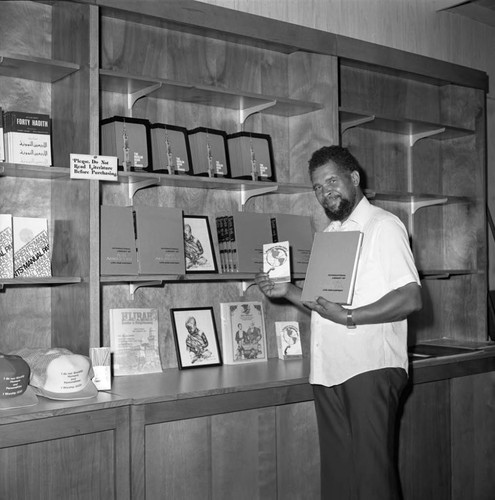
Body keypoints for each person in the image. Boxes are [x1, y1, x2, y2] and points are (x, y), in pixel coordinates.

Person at [255, 145, 422, 500]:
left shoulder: (384, 225)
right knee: (340, 482)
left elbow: (410, 297)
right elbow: (320, 302)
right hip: (329, 371)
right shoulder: (330, 235)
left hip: (369, 369)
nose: (325, 191)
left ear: (354, 178)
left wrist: (350, 316)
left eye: (332, 180)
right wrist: (286, 290)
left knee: (371, 480)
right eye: (317, 186)